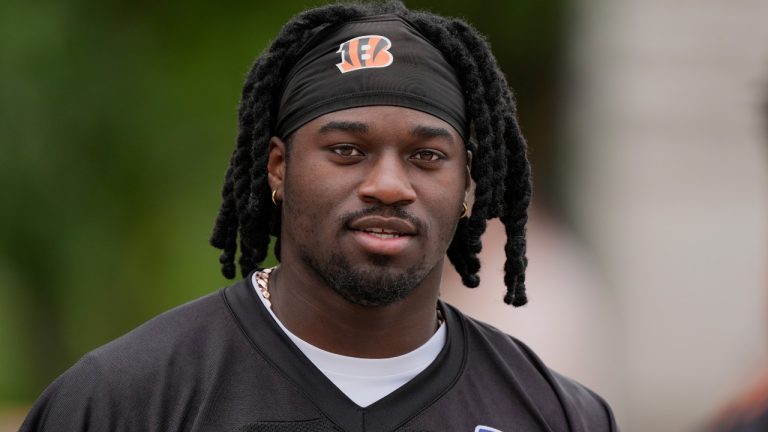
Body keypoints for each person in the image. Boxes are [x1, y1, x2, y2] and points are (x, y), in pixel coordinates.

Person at [21, 2, 618, 431]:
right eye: (347, 150)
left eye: (427, 156)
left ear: (467, 185)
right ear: (278, 168)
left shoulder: (559, 415)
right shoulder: (124, 401)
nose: (389, 186)